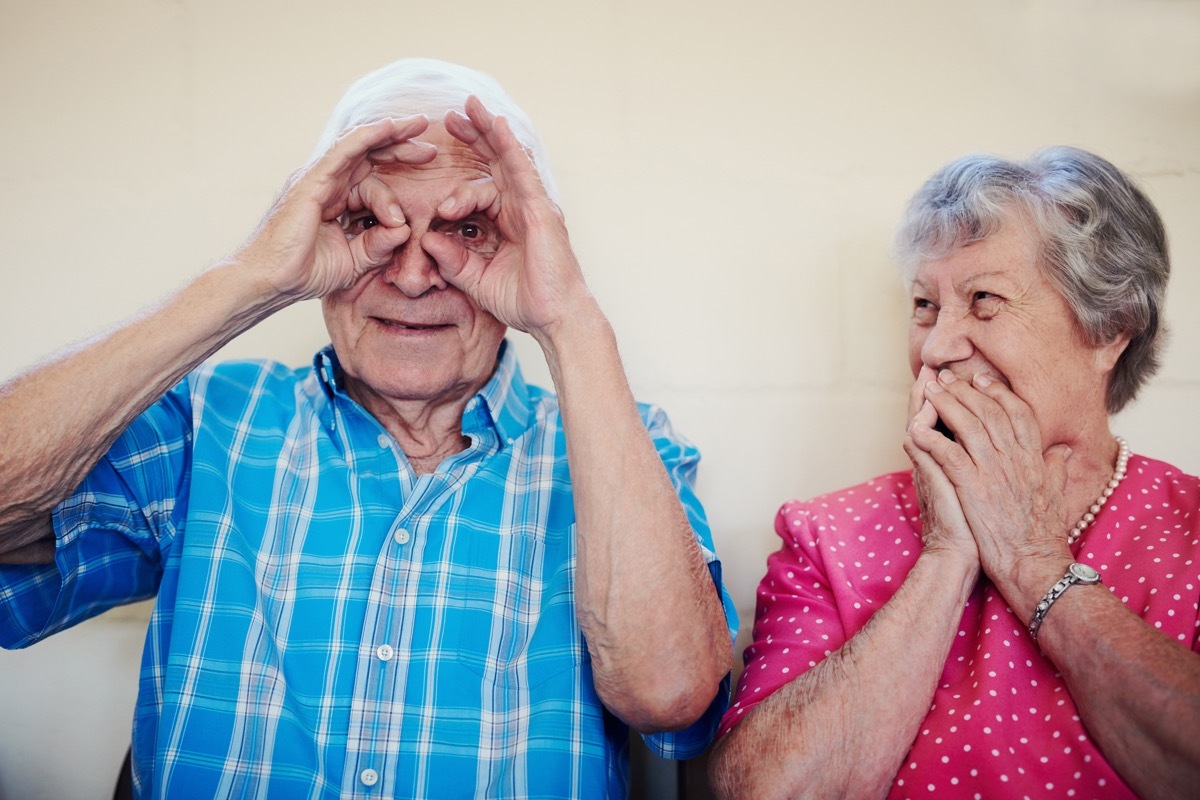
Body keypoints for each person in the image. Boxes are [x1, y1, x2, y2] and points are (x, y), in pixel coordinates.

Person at [0, 58, 736, 798]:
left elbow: (671, 694)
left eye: (468, 227)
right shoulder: (210, 421)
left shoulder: (617, 445)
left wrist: (569, 316)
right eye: (367, 222)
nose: (414, 276)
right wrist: (250, 277)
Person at [708, 146, 1200, 799]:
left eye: (985, 300)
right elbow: (760, 792)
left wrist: (1032, 562)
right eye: (924, 305)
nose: (937, 349)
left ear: (1109, 329)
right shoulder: (827, 537)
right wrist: (948, 554)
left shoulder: (1189, 530)